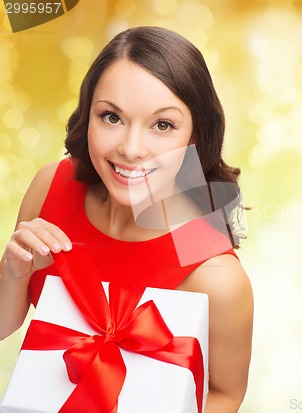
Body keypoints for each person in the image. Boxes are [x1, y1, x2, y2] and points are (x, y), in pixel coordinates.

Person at [0, 26, 253, 412]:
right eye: (111, 117)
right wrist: (13, 273)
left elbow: (225, 394)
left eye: (163, 125)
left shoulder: (213, 273)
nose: (131, 149)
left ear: (195, 137)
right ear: (88, 115)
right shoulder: (52, 185)